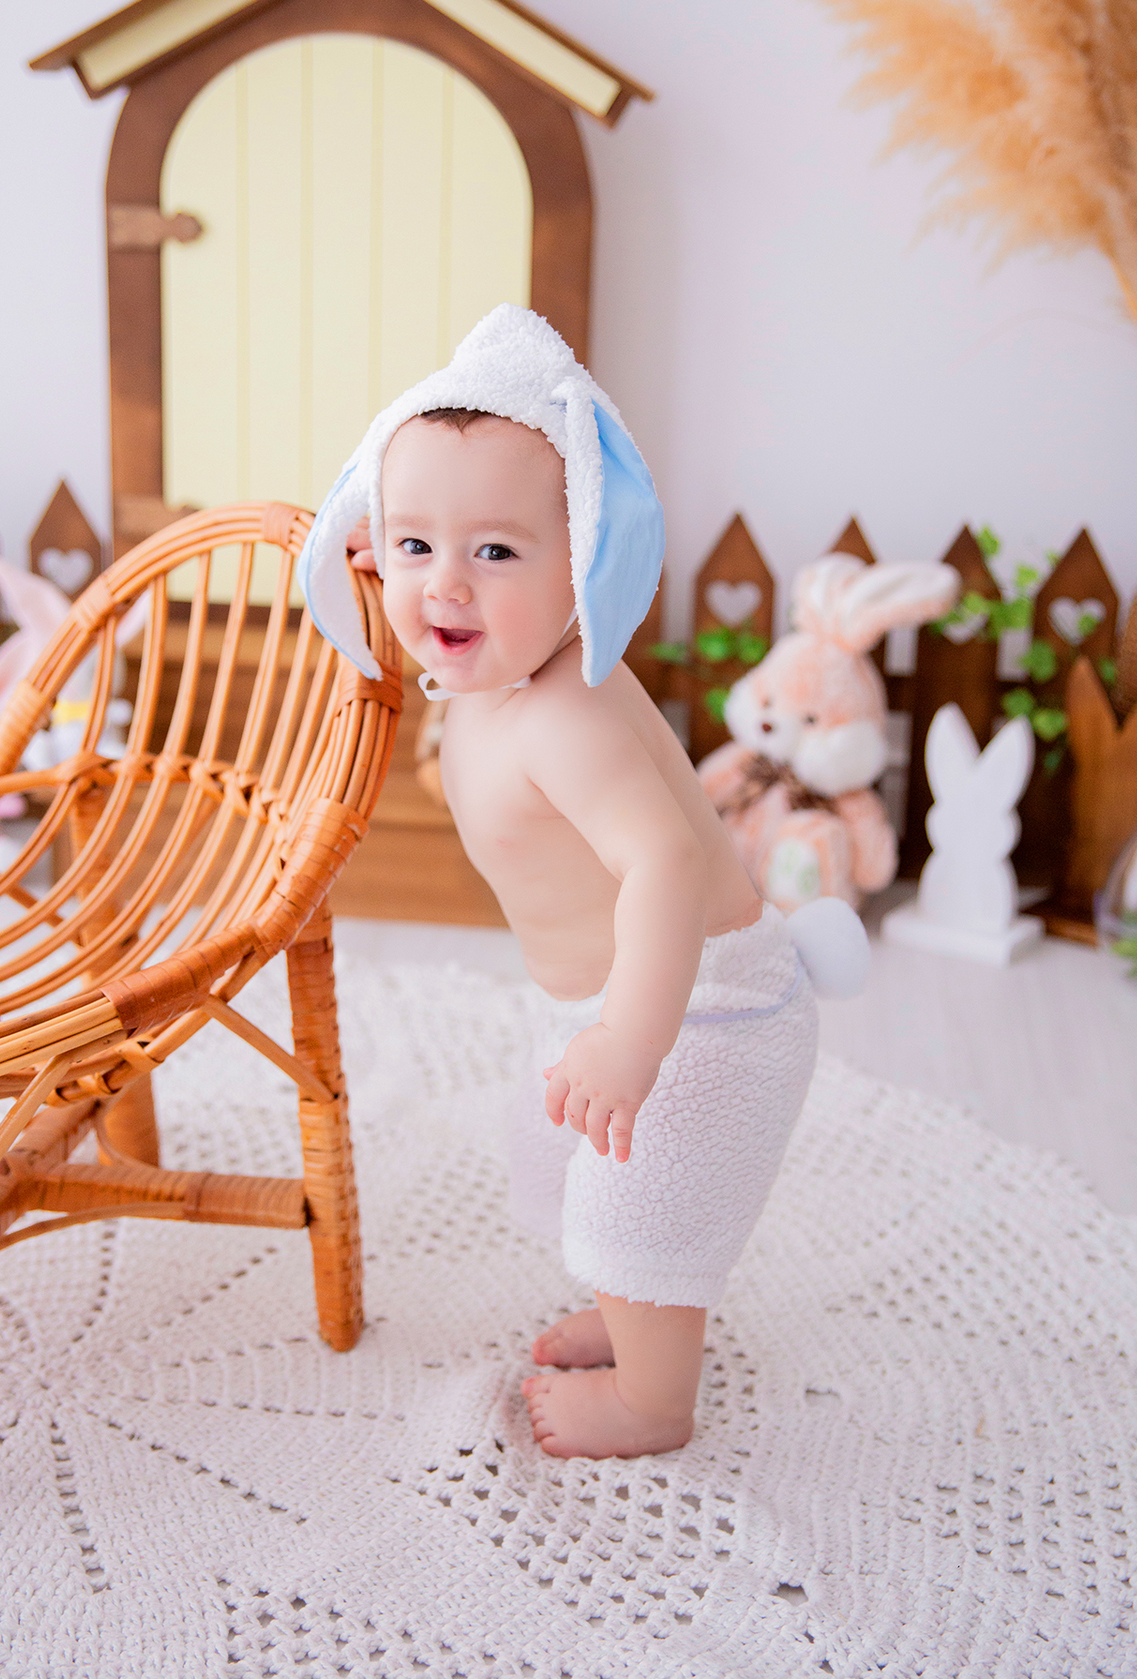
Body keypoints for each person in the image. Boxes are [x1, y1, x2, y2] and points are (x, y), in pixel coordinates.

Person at [299, 305, 828, 1460]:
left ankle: (654, 1401)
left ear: (584, 557)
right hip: (617, 1000)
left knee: (641, 1199)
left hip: (700, 1012)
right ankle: (637, 1310)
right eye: (412, 546)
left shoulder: (564, 712)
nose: (446, 586)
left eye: (495, 552)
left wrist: (634, 1043)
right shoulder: (490, 679)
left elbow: (670, 861)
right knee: (577, 1166)